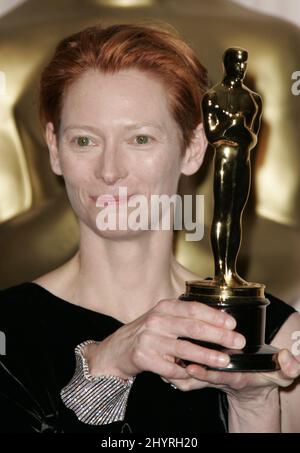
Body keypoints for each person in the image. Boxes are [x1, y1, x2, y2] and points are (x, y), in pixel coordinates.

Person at [0, 23, 299, 434]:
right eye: (85, 141)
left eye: (140, 139)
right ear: (54, 148)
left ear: (193, 148)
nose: (109, 171)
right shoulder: (8, 333)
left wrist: (254, 406)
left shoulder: (276, 341)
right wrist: (104, 367)